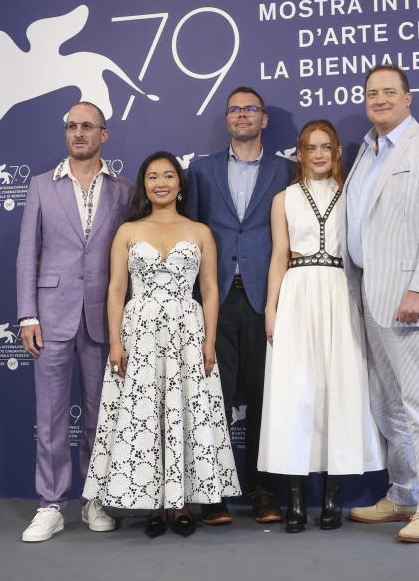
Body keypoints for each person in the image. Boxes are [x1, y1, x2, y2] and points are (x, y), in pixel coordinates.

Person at [82, 152, 241, 538]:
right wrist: (116, 342)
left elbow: (209, 289)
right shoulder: (128, 231)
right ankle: (155, 503)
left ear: (180, 184)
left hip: (187, 331)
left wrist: (208, 340)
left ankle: (183, 503)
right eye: (152, 176)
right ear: (144, 185)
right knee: (148, 413)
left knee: (184, 412)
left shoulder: (200, 231)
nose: (161, 183)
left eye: (169, 175)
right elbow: (116, 289)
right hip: (141, 334)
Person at [344, 65, 419, 543]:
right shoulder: (366, 151)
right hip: (369, 295)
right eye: (372, 93)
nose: (380, 99)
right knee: (387, 402)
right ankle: (404, 493)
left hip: (410, 299)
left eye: (390, 92)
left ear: (409, 99)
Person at [258, 120, 385, 533]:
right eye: (309, 148)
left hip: (340, 292)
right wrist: (270, 306)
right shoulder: (284, 199)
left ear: (336, 153)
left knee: (339, 391)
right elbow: (279, 255)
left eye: (325, 147)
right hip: (296, 292)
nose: (317, 155)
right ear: (299, 154)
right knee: (295, 395)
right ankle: (294, 501)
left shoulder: (353, 195)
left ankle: (334, 497)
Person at [16, 101, 134, 542]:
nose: (78, 132)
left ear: (104, 134)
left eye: (87, 126)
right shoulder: (41, 186)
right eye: (71, 126)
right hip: (50, 316)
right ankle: (50, 504)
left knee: (101, 416)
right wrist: (27, 313)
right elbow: (28, 253)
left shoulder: (124, 191)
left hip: (104, 317)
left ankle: (95, 497)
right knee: (49, 416)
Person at [186, 87, 294, 524]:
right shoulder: (200, 170)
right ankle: (211, 494)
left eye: (251, 109)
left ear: (264, 119)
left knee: (267, 398)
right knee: (213, 397)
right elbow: (191, 230)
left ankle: (264, 492)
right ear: (227, 119)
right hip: (215, 299)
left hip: (266, 298)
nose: (242, 115)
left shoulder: (287, 171)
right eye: (234, 110)